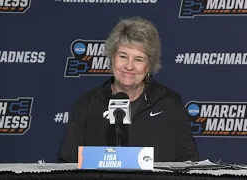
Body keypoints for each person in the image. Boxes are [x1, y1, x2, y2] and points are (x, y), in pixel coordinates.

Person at [57, 16, 199, 163]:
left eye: (139, 59)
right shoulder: (87, 104)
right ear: (112, 58)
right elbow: (67, 165)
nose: (129, 66)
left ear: (149, 65)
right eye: (123, 56)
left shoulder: (170, 104)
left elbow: (189, 163)